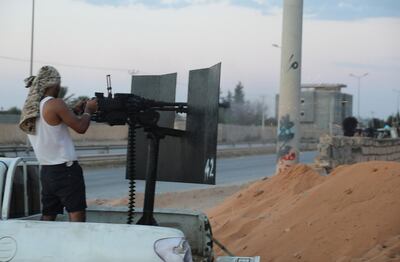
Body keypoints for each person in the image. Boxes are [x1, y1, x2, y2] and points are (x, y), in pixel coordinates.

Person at [19, 65, 98, 222]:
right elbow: (81, 127)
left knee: (48, 216)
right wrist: (89, 110)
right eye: (59, 83)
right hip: (66, 170)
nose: (60, 87)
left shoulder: (32, 108)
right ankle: (76, 246)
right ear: (53, 84)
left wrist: (74, 111)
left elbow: (53, 124)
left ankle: (44, 245)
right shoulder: (56, 103)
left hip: (47, 172)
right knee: (77, 218)